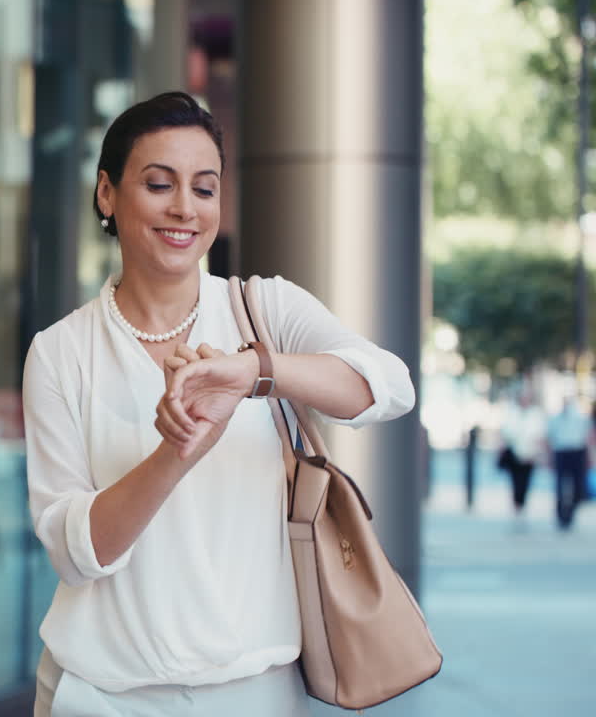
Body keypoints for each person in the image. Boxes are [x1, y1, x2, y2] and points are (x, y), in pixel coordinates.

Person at [22, 92, 415, 716]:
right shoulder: (60, 352)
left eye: (204, 189)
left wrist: (257, 372)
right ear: (106, 193)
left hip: (253, 692)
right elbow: (75, 555)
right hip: (99, 697)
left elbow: (388, 387)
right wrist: (174, 455)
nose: (184, 207)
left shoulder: (263, 309)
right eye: (158, 184)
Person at [498, 388, 546, 517]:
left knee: (525, 480)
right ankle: (516, 503)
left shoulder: (535, 415)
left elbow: (540, 435)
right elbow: (505, 433)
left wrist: (539, 453)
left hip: (529, 453)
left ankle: (521, 502)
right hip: (514, 452)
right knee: (515, 480)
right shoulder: (512, 413)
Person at [546, 395, 591, 531]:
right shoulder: (555, 419)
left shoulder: (581, 419)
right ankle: (561, 515)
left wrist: (589, 458)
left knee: (579, 487)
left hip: (577, 452)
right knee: (560, 485)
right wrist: (549, 458)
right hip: (561, 453)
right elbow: (550, 438)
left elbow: (588, 438)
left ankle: (571, 511)